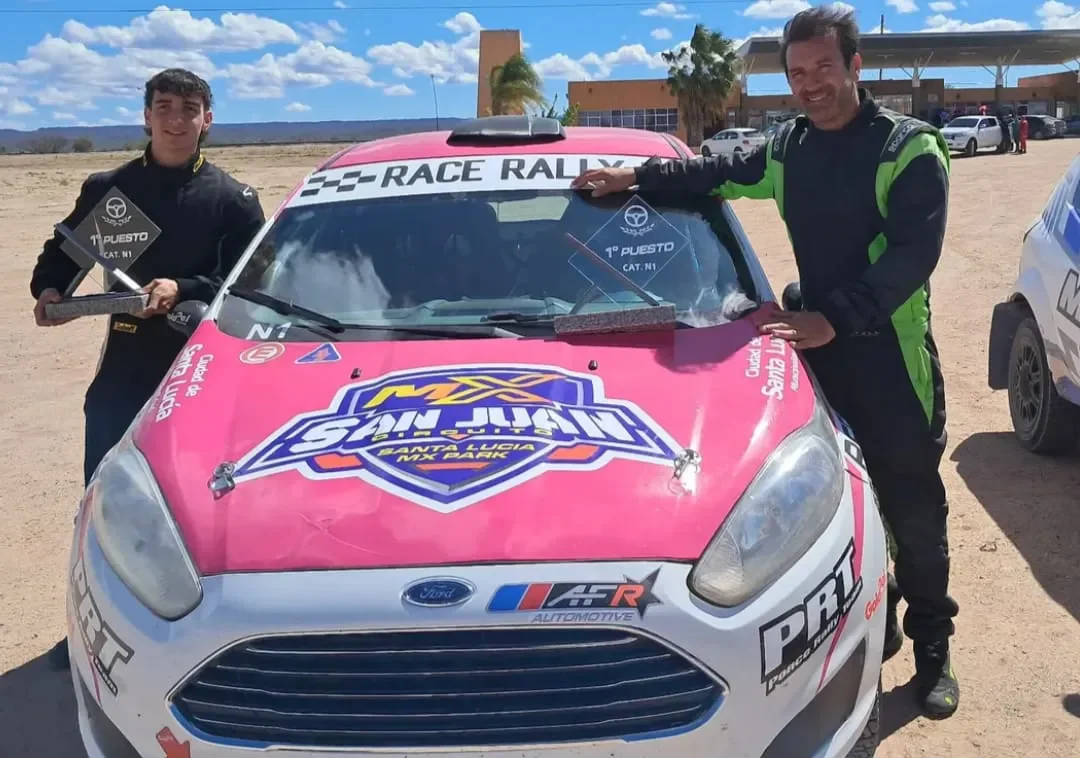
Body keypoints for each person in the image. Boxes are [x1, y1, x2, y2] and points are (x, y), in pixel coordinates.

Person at [571, 5, 960, 718]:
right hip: (817, 360)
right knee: (838, 505)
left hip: (890, 362)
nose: (810, 84)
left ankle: (934, 647)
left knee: (913, 511)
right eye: (797, 72)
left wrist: (832, 318)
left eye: (823, 67)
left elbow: (911, 257)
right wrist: (636, 176)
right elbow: (714, 175)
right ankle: (882, 613)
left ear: (855, 66)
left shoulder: (909, 151)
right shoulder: (789, 149)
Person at [30, 67, 266, 670]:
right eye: (164, 107)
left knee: (206, 497)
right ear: (146, 116)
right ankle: (90, 629)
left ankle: (214, 633)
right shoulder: (113, 189)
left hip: (205, 364)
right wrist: (51, 289)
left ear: (207, 120)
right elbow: (64, 257)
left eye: (189, 108)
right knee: (104, 495)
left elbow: (251, 282)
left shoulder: (232, 199)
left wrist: (183, 287)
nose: (175, 119)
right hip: (128, 361)